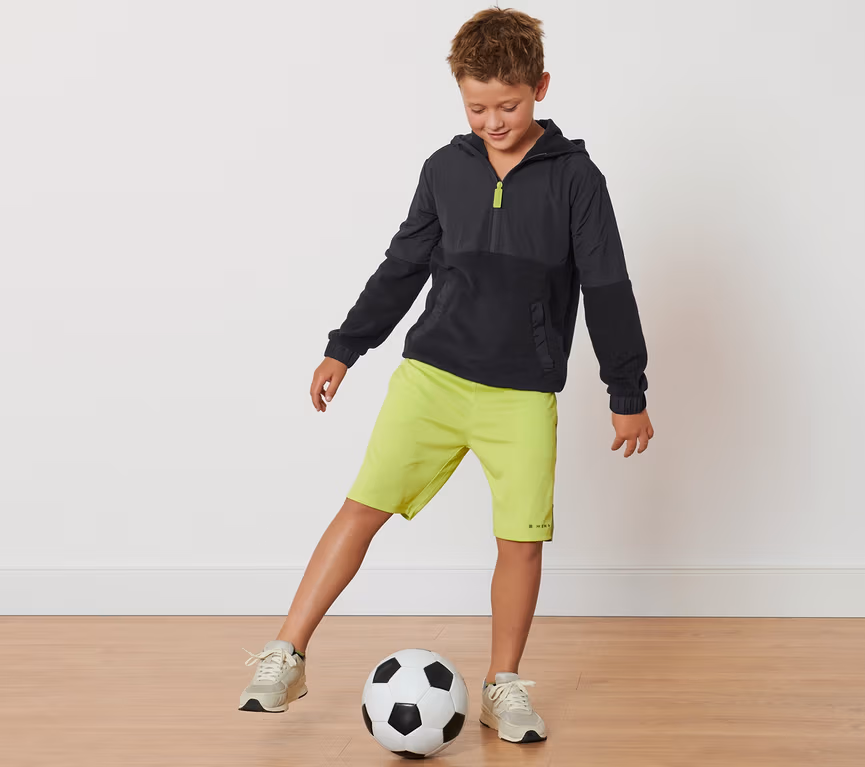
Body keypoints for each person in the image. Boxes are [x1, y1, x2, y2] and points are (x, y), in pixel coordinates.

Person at [238, 5, 654, 745]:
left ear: (540, 88)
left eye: (509, 106)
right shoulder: (444, 169)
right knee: (361, 508)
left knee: (521, 540)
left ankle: (503, 684)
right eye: (476, 107)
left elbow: (607, 286)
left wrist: (627, 390)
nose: (493, 122)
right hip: (431, 380)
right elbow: (402, 267)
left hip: (521, 394)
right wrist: (346, 346)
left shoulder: (577, 180)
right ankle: (287, 654)